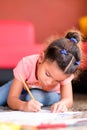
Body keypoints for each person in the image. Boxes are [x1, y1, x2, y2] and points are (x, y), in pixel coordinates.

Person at [0, 30, 83, 113]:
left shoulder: (65, 71)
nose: (49, 82)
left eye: (57, 80)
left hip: (49, 93)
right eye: (47, 74)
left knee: (34, 97)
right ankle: (23, 99)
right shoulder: (26, 64)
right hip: (24, 85)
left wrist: (62, 104)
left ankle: (24, 99)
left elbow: (68, 99)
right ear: (41, 58)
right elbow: (12, 98)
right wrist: (23, 105)